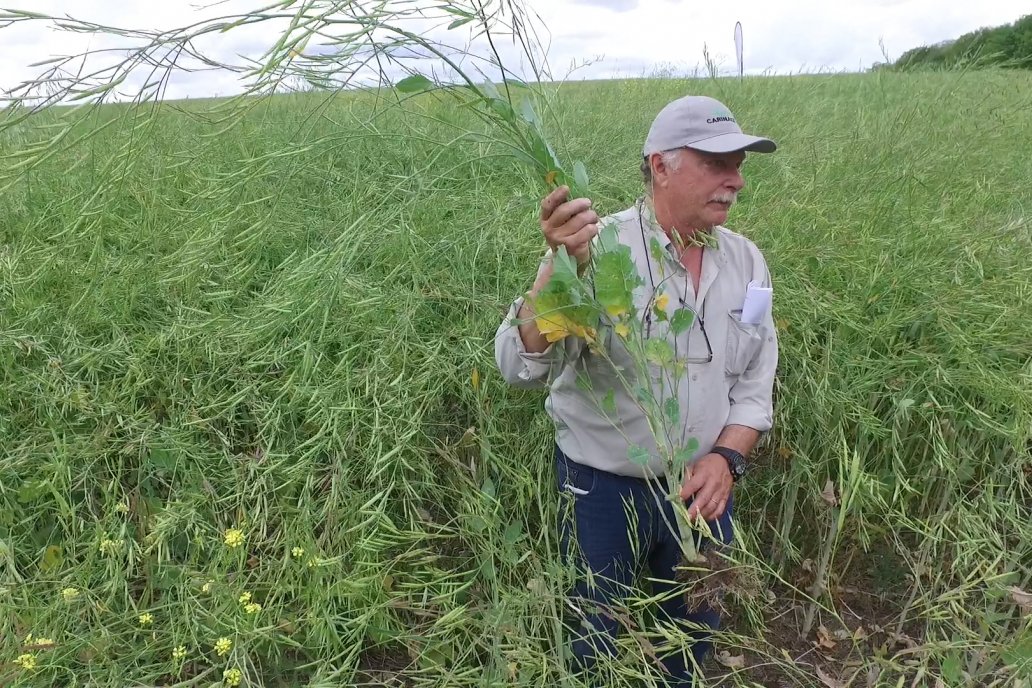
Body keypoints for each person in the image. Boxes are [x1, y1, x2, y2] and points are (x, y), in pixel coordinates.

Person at [494, 95, 779, 685]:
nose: (735, 181)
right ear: (660, 166)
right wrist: (557, 268)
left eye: (740, 164)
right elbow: (519, 366)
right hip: (600, 492)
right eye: (717, 162)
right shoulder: (596, 251)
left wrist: (728, 456)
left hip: (704, 491)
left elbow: (755, 374)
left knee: (695, 632)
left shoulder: (747, 262)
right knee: (595, 639)